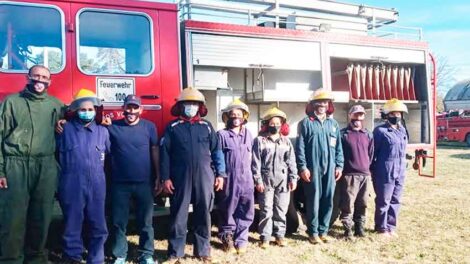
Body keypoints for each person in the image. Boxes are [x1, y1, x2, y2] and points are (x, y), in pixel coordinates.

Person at [0, 65, 64, 263]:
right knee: (13, 217)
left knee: (42, 215)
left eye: (45, 77)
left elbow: (76, 121)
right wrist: (1, 170)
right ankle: (10, 259)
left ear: (50, 82)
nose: (40, 80)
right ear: (28, 77)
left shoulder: (56, 105)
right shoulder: (12, 102)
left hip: (45, 165)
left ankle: (36, 257)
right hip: (15, 165)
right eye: (36, 75)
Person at [160, 87, 225, 263]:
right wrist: (165, 178)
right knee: (179, 214)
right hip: (180, 177)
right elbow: (164, 154)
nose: (191, 106)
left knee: (203, 213)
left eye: (194, 104)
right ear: (180, 106)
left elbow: (217, 151)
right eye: (187, 103)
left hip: (205, 176)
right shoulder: (172, 127)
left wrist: (220, 174)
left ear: (200, 107)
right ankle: (175, 253)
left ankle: (203, 251)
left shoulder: (207, 126)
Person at [57, 89, 110, 264]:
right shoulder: (63, 129)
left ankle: (96, 258)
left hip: (97, 183)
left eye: (90, 109)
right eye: (82, 109)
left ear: (96, 110)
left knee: (98, 223)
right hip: (71, 182)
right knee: (72, 222)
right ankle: (72, 256)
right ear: (75, 110)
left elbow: (111, 156)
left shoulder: (103, 131)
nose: (86, 112)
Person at [106, 95, 160, 264]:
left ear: (140, 110)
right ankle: (120, 255)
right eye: (128, 107)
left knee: (146, 222)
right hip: (119, 184)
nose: (131, 111)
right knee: (118, 222)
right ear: (123, 109)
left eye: (135, 108)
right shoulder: (112, 127)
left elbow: (155, 150)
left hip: (144, 183)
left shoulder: (149, 127)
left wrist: (158, 176)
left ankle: (146, 255)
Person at [296, 89, 344, 244]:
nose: (322, 104)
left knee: (328, 199)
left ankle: (323, 231)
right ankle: (313, 232)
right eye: (319, 102)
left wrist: (339, 166)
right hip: (313, 168)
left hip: (330, 168)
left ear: (329, 104)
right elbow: (300, 147)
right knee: (314, 199)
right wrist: (303, 167)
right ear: (313, 104)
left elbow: (338, 149)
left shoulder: (333, 124)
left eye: (325, 102)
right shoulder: (306, 123)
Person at [252, 106, 297, 249]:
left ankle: (279, 236)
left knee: (281, 209)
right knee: (266, 209)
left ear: (282, 124)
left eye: (278, 123)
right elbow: (255, 162)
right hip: (266, 180)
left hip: (283, 180)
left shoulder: (286, 141)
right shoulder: (260, 141)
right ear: (266, 124)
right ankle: (265, 237)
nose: (275, 125)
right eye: (272, 123)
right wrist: (258, 180)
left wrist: (293, 178)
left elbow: (292, 161)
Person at [216, 99, 254, 254]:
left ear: (244, 117)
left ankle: (242, 240)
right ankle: (227, 239)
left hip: (247, 179)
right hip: (229, 179)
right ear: (227, 117)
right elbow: (218, 157)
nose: (236, 117)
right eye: (232, 114)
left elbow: (253, 157)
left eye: (239, 114)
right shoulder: (221, 135)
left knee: (246, 210)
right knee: (228, 209)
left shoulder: (249, 134)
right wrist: (221, 175)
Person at [371, 98, 408, 237]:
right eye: (393, 113)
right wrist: (373, 170)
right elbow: (373, 152)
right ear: (387, 115)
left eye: (399, 113)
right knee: (383, 200)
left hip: (400, 170)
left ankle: (391, 226)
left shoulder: (402, 130)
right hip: (385, 169)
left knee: (396, 200)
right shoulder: (380, 131)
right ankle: (381, 227)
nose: (397, 116)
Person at [337, 105, 374, 239]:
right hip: (349, 175)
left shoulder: (368, 134)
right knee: (347, 204)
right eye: (355, 115)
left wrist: (367, 170)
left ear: (363, 117)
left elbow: (371, 154)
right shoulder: (343, 135)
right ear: (350, 116)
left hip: (365, 175)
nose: (358, 118)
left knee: (362, 203)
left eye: (360, 115)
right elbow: (339, 155)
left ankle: (360, 228)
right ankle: (347, 230)